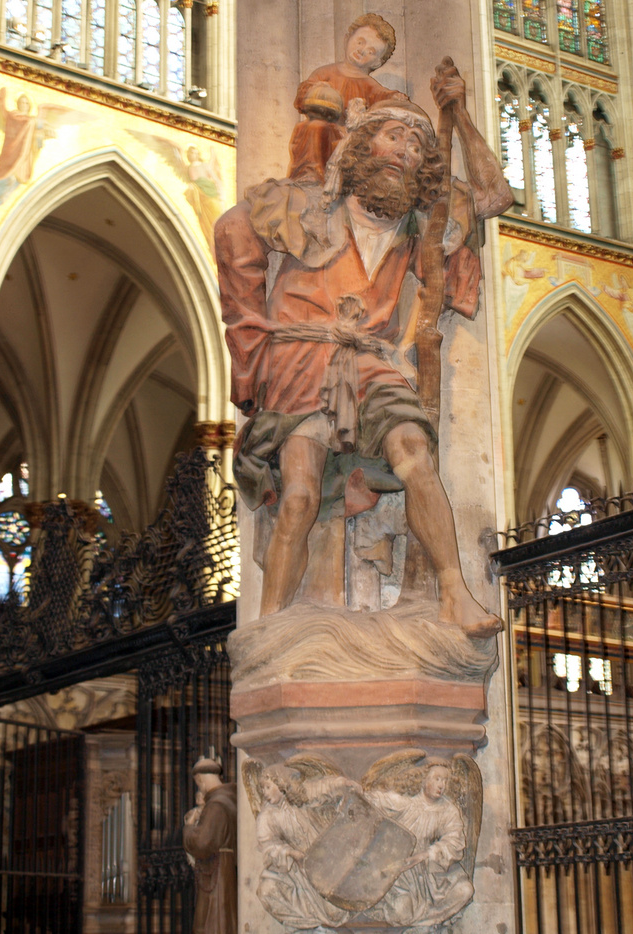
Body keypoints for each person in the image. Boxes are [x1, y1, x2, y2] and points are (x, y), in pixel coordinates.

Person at [214, 61, 512, 637]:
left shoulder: (421, 224)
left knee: (416, 454)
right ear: (361, 143)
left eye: (418, 143)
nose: (405, 150)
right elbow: (233, 229)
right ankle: (270, 628)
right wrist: (249, 334)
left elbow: (494, 194)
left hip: (372, 362)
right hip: (299, 362)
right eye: (394, 134)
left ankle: (455, 593)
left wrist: (460, 115)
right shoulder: (307, 203)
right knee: (298, 498)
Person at [288, 13, 405, 182]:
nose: (362, 50)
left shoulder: (369, 85)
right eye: (360, 42)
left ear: (376, 63)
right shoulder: (325, 73)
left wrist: (395, 97)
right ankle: (309, 173)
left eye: (371, 51)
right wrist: (316, 89)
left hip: (348, 141)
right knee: (313, 128)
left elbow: (384, 99)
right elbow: (302, 96)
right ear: (347, 38)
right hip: (322, 134)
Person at [364, 760, 473, 927]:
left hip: (431, 873)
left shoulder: (448, 810)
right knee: (401, 913)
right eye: (437, 779)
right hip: (401, 873)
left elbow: (454, 840)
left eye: (445, 780)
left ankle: (429, 921)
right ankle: (411, 917)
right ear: (423, 780)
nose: (441, 785)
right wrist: (354, 789)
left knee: (465, 890)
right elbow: (377, 800)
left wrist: (426, 855)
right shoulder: (406, 804)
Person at [255, 764, 356, 928]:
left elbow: (321, 788)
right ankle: (304, 919)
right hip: (296, 869)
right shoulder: (267, 816)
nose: (264, 793)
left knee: (335, 911)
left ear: (281, 785)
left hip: (324, 859)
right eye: (262, 788)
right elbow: (267, 845)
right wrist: (290, 853)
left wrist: (341, 783)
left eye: (268, 787)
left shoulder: (300, 796)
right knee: (267, 891)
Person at [183, 758, 237, 934]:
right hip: (223, 871)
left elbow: (202, 843)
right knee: (218, 928)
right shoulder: (230, 800)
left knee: (207, 931)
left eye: (199, 784)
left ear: (201, 781)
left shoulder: (217, 805)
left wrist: (189, 827)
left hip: (217, 876)